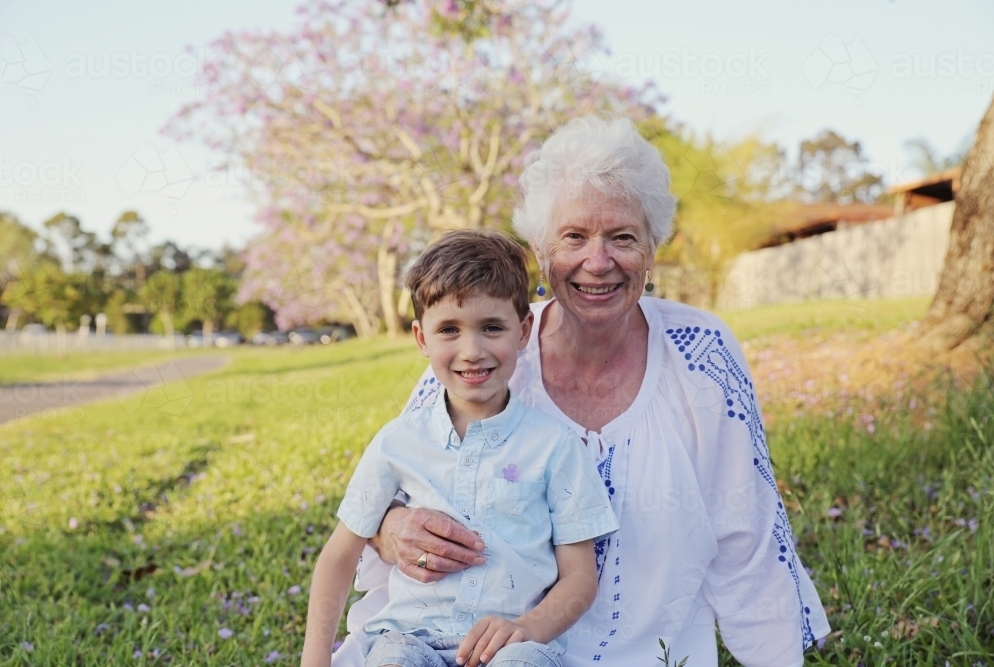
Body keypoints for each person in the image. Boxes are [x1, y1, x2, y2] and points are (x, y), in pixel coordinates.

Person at [330, 116, 831, 667]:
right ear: (541, 251)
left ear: (652, 249)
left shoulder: (701, 353)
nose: (598, 262)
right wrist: (392, 528)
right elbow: (386, 496)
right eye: (574, 237)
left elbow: (748, 533)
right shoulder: (485, 353)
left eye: (622, 237)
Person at [302, 231, 619, 667]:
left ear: (523, 330)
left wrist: (529, 628)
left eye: (492, 327)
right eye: (449, 329)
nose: (472, 351)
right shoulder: (398, 441)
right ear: (421, 338)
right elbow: (339, 556)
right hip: (409, 640)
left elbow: (580, 579)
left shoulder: (556, 447)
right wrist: (314, 661)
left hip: (512, 646)